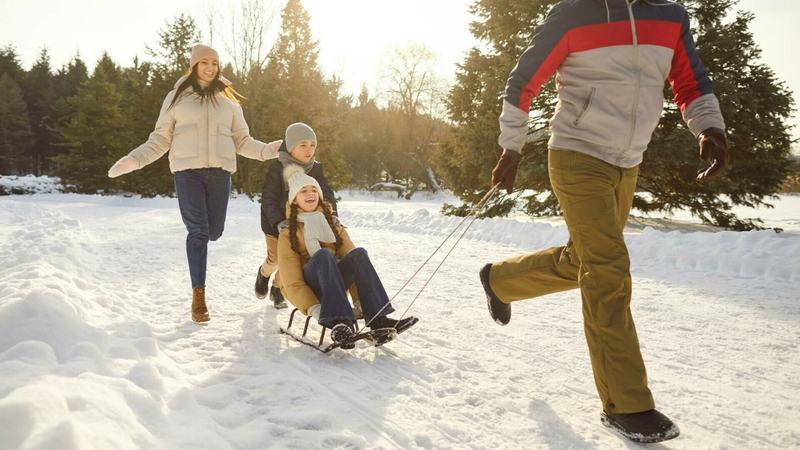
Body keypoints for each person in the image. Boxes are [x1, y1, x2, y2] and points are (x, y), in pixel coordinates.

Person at [480, 0, 729, 443]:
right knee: (607, 270)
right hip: (577, 154)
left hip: (627, 161)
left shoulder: (670, 16)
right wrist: (511, 146)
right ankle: (626, 403)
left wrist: (710, 128)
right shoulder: (575, 13)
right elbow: (523, 81)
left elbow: (690, 81)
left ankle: (501, 280)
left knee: (584, 260)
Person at [108, 44, 282, 323]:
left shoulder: (229, 102)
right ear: (194, 66)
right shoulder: (176, 97)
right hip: (187, 173)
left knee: (214, 232)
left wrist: (267, 151)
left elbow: (242, 141)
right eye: (204, 62)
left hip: (219, 174)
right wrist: (135, 159)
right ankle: (198, 297)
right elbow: (160, 139)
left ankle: (203, 255)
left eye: (214, 63)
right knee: (198, 232)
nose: (210, 68)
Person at [277, 164, 417, 347]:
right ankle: (341, 322)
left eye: (314, 190)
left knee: (358, 254)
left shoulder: (333, 224)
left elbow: (353, 263)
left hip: (334, 285)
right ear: (294, 200)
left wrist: (359, 302)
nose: (310, 194)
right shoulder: (287, 232)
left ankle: (379, 320)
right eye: (303, 191)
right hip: (311, 288)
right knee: (324, 255)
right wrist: (315, 309)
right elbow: (292, 282)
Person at [255, 122, 337, 310]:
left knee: (293, 259)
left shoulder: (315, 168)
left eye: (312, 145)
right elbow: (269, 197)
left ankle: (277, 289)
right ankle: (263, 273)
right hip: (276, 222)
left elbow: (327, 194)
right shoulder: (278, 167)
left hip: (301, 222)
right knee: (276, 258)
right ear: (291, 147)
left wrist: (332, 215)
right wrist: (278, 221)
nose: (309, 150)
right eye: (303, 145)